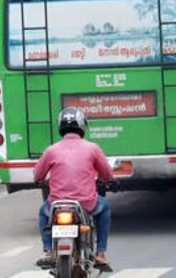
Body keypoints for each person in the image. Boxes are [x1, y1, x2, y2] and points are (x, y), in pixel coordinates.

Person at [34, 107, 115, 270]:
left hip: (57, 204)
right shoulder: (93, 148)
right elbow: (107, 174)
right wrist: (108, 180)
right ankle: (100, 252)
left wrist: (42, 180)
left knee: (43, 212)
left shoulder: (51, 150)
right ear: (82, 125)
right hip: (86, 203)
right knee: (105, 207)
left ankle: (49, 250)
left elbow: (38, 176)